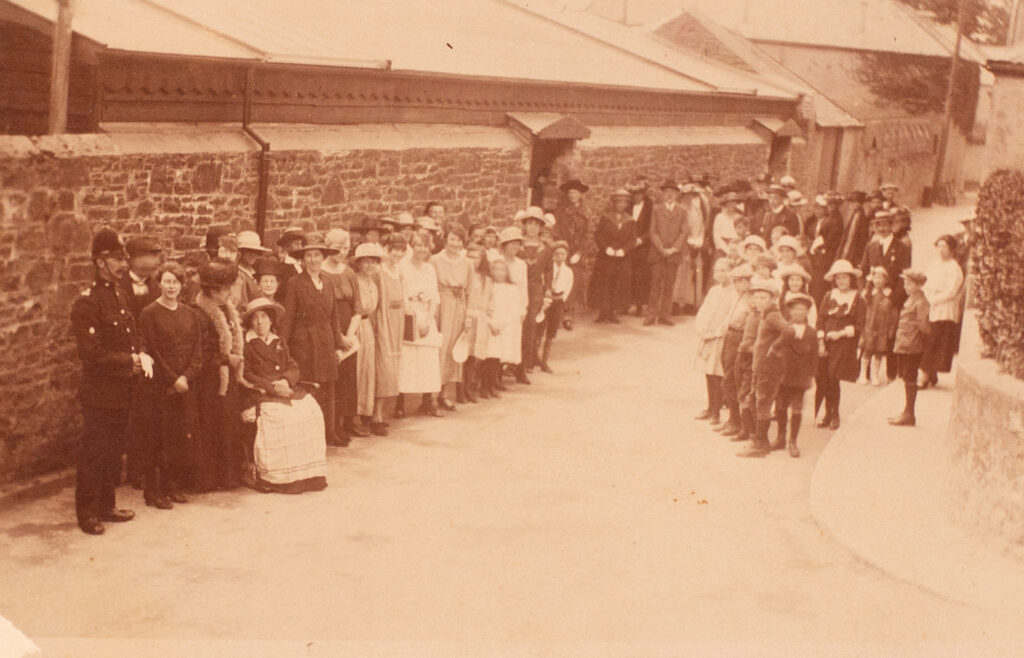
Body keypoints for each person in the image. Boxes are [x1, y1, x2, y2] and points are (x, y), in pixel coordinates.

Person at [70, 227, 151, 535]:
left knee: (114, 449)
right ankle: (87, 512)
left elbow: (129, 336)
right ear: (100, 262)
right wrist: (129, 362)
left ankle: (107, 505)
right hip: (99, 393)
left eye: (123, 258)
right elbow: (91, 354)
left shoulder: (119, 293)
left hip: (121, 390)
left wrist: (139, 354)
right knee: (94, 451)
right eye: (117, 259)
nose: (123, 264)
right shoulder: (87, 303)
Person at [238, 297, 327, 493]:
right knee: (281, 418)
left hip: (284, 388)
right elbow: (246, 374)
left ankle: (306, 473)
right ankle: (276, 476)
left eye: (264, 317)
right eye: (255, 318)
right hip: (260, 392)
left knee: (310, 412)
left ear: (271, 320)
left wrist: (286, 381)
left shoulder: (279, 341)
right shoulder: (247, 344)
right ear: (250, 322)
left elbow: (293, 366)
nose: (260, 322)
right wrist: (272, 387)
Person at [138, 262, 202, 510]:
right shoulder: (149, 313)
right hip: (160, 387)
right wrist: (173, 379)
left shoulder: (190, 314)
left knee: (178, 437)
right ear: (159, 283)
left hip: (184, 385)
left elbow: (197, 351)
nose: (171, 286)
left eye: (175, 281)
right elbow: (152, 350)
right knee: (158, 438)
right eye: (166, 281)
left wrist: (187, 376)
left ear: (182, 285)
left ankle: (171, 485)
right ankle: (153, 491)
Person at [278, 233, 345, 446]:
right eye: (309, 255)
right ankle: (310, 436)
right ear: (303, 258)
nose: (313, 259)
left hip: (325, 338)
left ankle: (330, 432)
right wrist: (284, 346)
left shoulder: (328, 280)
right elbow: (288, 317)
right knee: (309, 386)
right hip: (304, 341)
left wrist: (338, 343)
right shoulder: (295, 283)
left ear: (323, 257)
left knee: (328, 386)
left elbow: (334, 316)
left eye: (317, 255)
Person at [191, 260, 245, 492]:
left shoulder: (226, 310)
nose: (229, 293)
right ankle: (209, 478)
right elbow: (201, 353)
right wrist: (225, 360)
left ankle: (228, 476)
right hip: (209, 381)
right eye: (225, 289)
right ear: (213, 291)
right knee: (211, 426)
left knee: (227, 424)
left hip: (226, 378)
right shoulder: (201, 315)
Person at [121, 235, 162, 489]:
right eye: (152, 254)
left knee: (145, 416)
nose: (157, 260)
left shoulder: (156, 286)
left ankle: (140, 470)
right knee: (124, 416)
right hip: (126, 360)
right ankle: (116, 471)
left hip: (151, 360)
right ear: (134, 259)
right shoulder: (121, 285)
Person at [737, 276, 786, 458]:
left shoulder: (773, 315)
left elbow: (788, 332)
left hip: (768, 368)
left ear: (773, 299)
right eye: (756, 297)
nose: (759, 301)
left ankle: (761, 444)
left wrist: (775, 348)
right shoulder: (763, 315)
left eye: (763, 297)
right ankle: (759, 440)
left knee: (763, 403)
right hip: (759, 366)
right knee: (756, 400)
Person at [321, 229, 361, 443]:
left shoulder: (349, 273)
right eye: (338, 247)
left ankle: (347, 423)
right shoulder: (321, 272)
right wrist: (338, 338)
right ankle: (331, 427)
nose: (342, 252)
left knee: (348, 379)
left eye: (346, 248)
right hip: (329, 331)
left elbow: (357, 308)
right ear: (328, 247)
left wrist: (349, 336)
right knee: (332, 380)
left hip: (348, 333)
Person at [815, 260, 866, 430]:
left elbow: (859, 326)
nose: (841, 281)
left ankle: (834, 414)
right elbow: (820, 320)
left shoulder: (858, 299)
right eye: (838, 278)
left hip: (844, 343)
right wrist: (821, 342)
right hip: (826, 343)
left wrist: (841, 333)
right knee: (823, 378)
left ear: (851, 278)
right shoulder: (829, 296)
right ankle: (827, 413)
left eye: (844, 278)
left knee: (833, 377)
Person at [399, 233, 444, 416]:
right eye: (417, 245)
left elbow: (434, 296)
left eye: (425, 246)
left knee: (428, 358)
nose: (421, 249)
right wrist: (415, 321)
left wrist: (428, 318)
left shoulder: (430, 269)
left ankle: (427, 401)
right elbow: (403, 297)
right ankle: (400, 404)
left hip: (426, 315)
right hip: (409, 314)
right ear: (411, 246)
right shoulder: (403, 267)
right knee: (407, 358)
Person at [772, 293, 818, 458]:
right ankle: (781, 437)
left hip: (801, 377)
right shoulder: (785, 329)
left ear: (807, 313)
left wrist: (811, 376)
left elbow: (814, 356)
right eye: (796, 310)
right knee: (781, 407)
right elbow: (775, 349)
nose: (799, 313)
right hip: (784, 375)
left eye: (803, 310)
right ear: (790, 312)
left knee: (797, 409)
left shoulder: (812, 333)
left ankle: (793, 441)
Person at [431, 226, 472, 409]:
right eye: (452, 239)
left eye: (459, 240)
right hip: (441, 305)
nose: (455, 243)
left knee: (453, 350)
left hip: (459, 308)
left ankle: (446, 393)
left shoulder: (467, 263)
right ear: (445, 239)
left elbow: (471, 291)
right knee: (439, 348)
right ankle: (431, 394)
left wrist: (468, 315)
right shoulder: (435, 260)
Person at [693, 258, 737, 425]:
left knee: (718, 373)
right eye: (717, 271)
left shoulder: (734, 293)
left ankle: (717, 411)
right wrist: (702, 328)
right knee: (708, 372)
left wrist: (717, 332)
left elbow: (729, 316)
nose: (720, 274)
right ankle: (710, 407)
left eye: (723, 270)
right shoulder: (713, 290)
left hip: (720, 337)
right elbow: (704, 310)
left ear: (731, 272)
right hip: (708, 335)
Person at [919, 235, 965, 389]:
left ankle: (924, 375)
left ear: (952, 249)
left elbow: (952, 291)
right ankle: (931, 373)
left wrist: (936, 298)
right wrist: (929, 295)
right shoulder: (934, 264)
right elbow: (925, 282)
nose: (941, 250)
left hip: (945, 310)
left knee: (936, 342)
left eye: (944, 247)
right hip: (931, 305)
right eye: (939, 246)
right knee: (927, 340)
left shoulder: (954, 268)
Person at [888, 269, 931, 427]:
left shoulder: (921, 301)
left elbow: (924, 327)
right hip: (906, 344)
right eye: (905, 282)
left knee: (910, 378)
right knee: (907, 378)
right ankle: (907, 411)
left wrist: (923, 345)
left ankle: (909, 414)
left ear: (919, 285)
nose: (905, 286)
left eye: (909, 283)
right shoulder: (911, 298)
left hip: (913, 346)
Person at [372, 234, 406, 434]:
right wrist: (379, 326)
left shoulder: (399, 272)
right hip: (383, 322)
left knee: (392, 368)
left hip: (397, 321)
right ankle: (375, 414)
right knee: (382, 368)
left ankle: (383, 412)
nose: (398, 254)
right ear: (387, 249)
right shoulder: (379, 272)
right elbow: (376, 301)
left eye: (402, 250)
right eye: (394, 249)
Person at [716, 263, 753, 438]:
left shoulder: (751, 300)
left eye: (740, 281)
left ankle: (738, 421)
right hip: (730, 337)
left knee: (733, 379)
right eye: (735, 281)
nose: (737, 285)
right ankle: (733, 418)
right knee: (727, 379)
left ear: (748, 282)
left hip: (740, 338)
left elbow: (746, 323)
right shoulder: (737, 297)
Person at [645, 180, 687, 327]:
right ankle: (651, 315)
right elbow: (653, 231)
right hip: (658, 253)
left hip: (673, 254)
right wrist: (662, 249)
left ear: (677, 194)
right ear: (663, 194)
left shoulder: (682, 211)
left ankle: (665, 315)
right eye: (667, 192)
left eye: (673, 192)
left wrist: (674, 248)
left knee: (669, 285)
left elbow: (683, 232)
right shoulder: (656, 209)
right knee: (655, 284)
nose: (669, 195)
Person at [352, 242, 383, 435]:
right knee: (356, 370)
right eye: (366, 262)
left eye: (373, 262)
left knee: (367, 370)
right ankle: (352, 416)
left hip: (368, 328)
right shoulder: (354, 281)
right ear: (359, 264)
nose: (370, 266)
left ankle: (365, 411)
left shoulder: (373, 284)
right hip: (355, 326)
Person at [516, 208, 552, 377]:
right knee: (515, 323)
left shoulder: (545, 248)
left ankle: (525, 363)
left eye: (536, 224)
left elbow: (549, 270)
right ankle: (510, 362)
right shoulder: (518, 244)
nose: (532, 228)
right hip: (517, 287)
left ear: (540, 227)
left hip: (535, 288)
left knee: (530, 324)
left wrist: (547, 290)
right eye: (529, 223)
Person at [592, 189, 636, 323]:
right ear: (614, 203)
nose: (621, 205)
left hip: (621, 258)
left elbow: (632, 239)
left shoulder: (630, 220)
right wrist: (606, 248)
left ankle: (612, 312)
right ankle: (603, 311)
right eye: (618, 202)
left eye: (624, 202)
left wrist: (624, 250)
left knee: (616, 284)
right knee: (604, 283)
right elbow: (598, 235)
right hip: (606, 257)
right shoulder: (606, 217)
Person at [555, 179, 591, 330]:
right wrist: (560, 248)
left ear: (580, 195)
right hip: (562, 250)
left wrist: (580, 252)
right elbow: (557, 230)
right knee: (558, 281)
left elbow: (586, 235)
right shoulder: (560, 210)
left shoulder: (585, 213)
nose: (572, 195)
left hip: (576, 253)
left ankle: (568, 315)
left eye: (575, 193)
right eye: (570, 193)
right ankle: (556, 314)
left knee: (573, 283)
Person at [859, 210, 912, 310]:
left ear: (892, 226)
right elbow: (863, 271)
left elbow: (905, 276)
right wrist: (864, 291)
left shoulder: (902, 247)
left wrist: (892, 299)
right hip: (872, 298)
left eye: (885, 225)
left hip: (892, 298)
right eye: (877, 226)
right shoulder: (870, 246)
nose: (881, 229)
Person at [485, 256, 523, 388]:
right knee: (490, 354)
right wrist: (491, 323)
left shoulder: (511, 288)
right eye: (496, 269)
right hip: (489, 324)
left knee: (501, 354)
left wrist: (501, 324)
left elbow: (514, 309)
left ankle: (496, 380)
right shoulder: (488, 285)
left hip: (504, 324)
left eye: (503, 270)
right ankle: (487, 384)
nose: (499, 272)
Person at [537, 240, 574, 374]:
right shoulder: (548, 268)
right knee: (539, 328)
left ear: (566, 255)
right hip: (546, 299)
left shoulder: (568, 271)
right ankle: (534, 357)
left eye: (563, 254)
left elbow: (568, 287)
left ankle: (545, 362)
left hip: (557, 301)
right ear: (553, 255)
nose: (560, 257)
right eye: (557, 254)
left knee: (551, 332)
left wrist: (561, 299)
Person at [857, 267, 898, 386]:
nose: (878, 281)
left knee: (879, 352)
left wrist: (892, 328)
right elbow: (863, 307)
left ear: (886, 280)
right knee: (867, 350)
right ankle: (862, 374)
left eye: (881, 278)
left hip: (883, 327)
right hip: (870, 326)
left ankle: (875, 375)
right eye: (876, 278)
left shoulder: (889, 294)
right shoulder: (869, 293)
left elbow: (894, 313)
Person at [463, 241, 493, 399]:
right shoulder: (466, 275)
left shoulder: (486, 278)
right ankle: (461, 389)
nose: (473, 261)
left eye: (477, 258)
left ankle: (470, 387)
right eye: (470, 257)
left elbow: (490, 298)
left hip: (481, 318)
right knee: (464, 354)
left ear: (482, 259)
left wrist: (489, 316)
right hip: (468, 315)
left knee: (475, 355)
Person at [500, 226, 530, 383]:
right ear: (504, 245)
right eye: (512, 243)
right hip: (500, 306)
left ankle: (508, 370)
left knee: (511, 340)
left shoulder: (521, 265)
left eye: (518, 244)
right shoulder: (496, 262)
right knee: (499, 341)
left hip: (515, 306)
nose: (515, 247)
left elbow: (523, 287)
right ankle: (495, 377)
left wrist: (523, 308)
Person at [809, 192, 845, 303]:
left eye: (832, 205)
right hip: (822, 253)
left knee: (821, 284)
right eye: (829, 204)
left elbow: (832, 240)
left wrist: (820, 245)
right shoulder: (831, 217)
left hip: (827, 255)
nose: (830, 207)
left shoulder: (836, 219)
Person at [628, 177, 654, 316]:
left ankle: (641, 304)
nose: (636, 197)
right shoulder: (628, 207)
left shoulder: (650, 207)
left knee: (642, 275)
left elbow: (652, 227)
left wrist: (641, 239)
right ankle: (630, 303)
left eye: (639, 194)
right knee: (630, 274)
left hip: (644, 246)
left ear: (644, 194)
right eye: (634, 194)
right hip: (630, 245)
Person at [838, 191, 878, 266]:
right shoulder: (855, 214)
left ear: (860, 203)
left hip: (856, 248)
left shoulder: (860, 216)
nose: (852, 205)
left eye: (854, 202)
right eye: (851, 202)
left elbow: (860, 236)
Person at [234, 231, 270, 308]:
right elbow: (241, 305)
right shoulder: (239, 275)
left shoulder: (250, 273)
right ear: (241, 252)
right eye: (249, 251)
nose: (253, 255)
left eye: (256, 252)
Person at [777, 263, 817, 328]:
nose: (794, 283)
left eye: (798, 280)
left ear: (802, 282)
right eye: (792, 279)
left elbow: (812, 320)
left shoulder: (808, 299)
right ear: (787, 281)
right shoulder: (781, 298)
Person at [712, 192, 742, 258]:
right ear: (725, 204)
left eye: (734, 202)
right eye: (729, 202)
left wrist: (735, 248)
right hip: (722, 248)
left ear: (736, 203)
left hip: (736, 247)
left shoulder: (739, 217)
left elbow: (741, 234)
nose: (731, 204)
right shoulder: (719, 217)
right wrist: (727, 250)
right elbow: (716, 236)